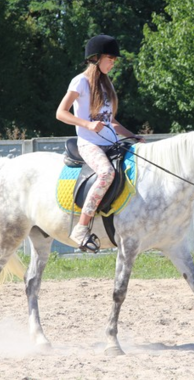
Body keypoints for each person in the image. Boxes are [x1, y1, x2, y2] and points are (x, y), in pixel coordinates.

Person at [56, 34, 143, 253]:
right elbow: (61, 113)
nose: (113, 62)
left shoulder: (107, 86)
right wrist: (86, 124)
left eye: (114, 59)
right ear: (96, 58)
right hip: (89, 144)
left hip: (111, 142)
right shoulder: (80, 82)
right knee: (106, 173)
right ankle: (82, 227)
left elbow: (111, 122)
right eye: (110, 58)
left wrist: (133, 136)